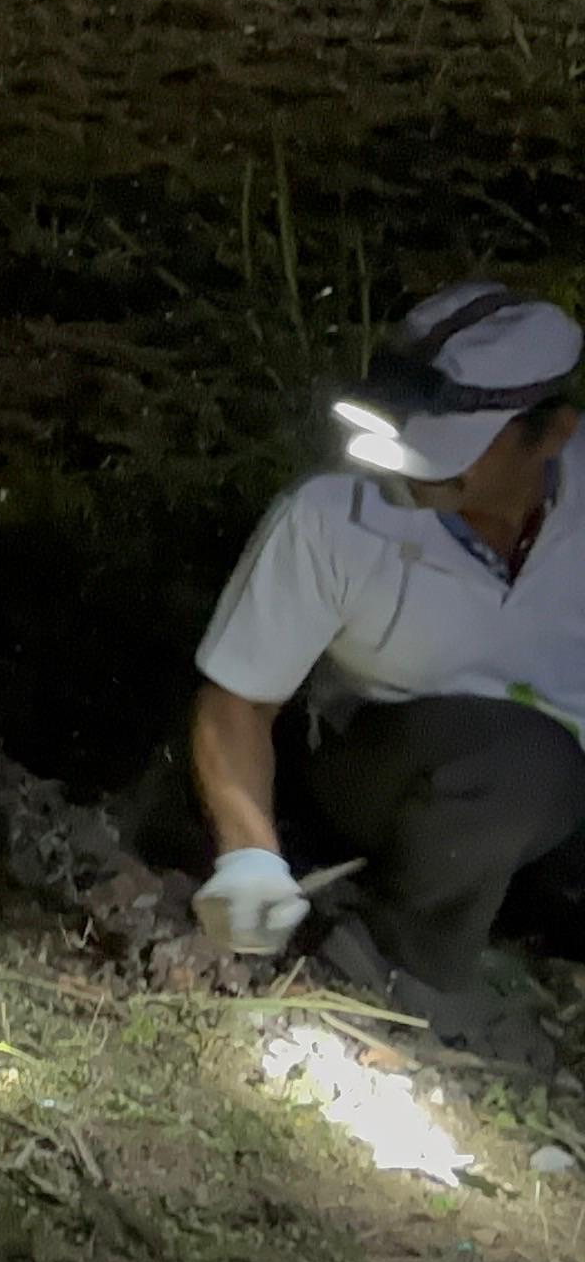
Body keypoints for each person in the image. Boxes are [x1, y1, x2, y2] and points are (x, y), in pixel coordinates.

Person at [187, 281, 585, 1060]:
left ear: (551, 435)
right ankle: (399, 973)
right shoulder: (335, 512)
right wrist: (249, 855)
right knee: (522, 760)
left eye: (456, 449)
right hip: (390, 770)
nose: (414, 468)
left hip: (562, 809)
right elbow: (237, 701)